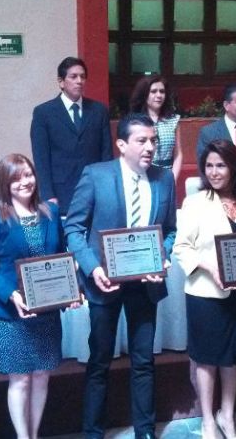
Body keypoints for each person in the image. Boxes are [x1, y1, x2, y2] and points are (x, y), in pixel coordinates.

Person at [64, 113, 177, 439]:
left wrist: (163, 258)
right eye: (142, 140)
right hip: (105, 282)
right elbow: (74, 228)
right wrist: (93, 268)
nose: (150, 147)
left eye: (153, 140)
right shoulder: (96, 175)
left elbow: (170, 230)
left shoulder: (163, 179)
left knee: (144, 361)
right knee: (99, 361)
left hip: (146, 284)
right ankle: (92, 432)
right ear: (121, 144)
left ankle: (144, 431)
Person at [0, 154, 78, 439]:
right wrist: (12, 295)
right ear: (5, 183)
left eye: (28, 175)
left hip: (45, 309)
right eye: (16, 177)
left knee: (43, 374)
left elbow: (60, 255)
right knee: (20, 379)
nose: (25, 182)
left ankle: (35, 432)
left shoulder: (50, 212)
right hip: (10, 314)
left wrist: (72, 285)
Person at [174, 139, 236, 439]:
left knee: (234, 356)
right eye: (209, 166)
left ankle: (227, 415)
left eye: (220, 165)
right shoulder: (195, 202)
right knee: (208, 357)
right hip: (206, 294)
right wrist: (211, 268)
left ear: (234, 167)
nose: (214, 172)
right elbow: (181, 248)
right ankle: (208, 420)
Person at [30, 56, 113, 215]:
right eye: (73, 76)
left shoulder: (98, 110)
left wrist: (106, 189)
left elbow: (106, 154)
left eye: (82, 76)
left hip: (94, 189)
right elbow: (41, 158)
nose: (79, 81)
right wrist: (48, 195)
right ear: (61, 82)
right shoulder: (44, 113)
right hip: (60, 192)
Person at [129, 75, 183, 182]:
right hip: (141, 175)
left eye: (162, 91)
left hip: (167, 174)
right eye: (153, 91)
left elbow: (178, 154)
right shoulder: (135, 121)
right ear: (144, 94)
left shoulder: (173, 120)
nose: (159, 95)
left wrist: (172, 179)